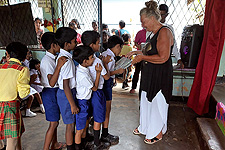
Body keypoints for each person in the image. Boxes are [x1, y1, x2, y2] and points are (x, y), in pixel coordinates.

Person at [127, 0, 173, 144]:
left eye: (143, 22)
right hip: (150, 73)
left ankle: (157, 132)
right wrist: (137, 52)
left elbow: (163, 57)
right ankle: (145, 127)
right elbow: (150, 51)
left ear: (152, 18)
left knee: (157, 101)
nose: (142, 25)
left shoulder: (164, 31)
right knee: (147, 100)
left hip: (160, 74)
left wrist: (142, 57)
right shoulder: (152, 33)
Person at [82, 31, 111, 149]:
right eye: (98, 43)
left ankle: (85, 140)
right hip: (98, 92)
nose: (99, 45)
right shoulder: (97, 61)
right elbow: (107, 77)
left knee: (88, 116)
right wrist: (105, 64)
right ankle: (96, 143)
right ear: (91, 45)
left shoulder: (82, 60)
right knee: (98, 117)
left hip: (86, 93)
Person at [0, 42, 30, 150]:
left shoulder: (0, 67)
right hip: (10, 107)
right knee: (12, 142)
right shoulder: (22, 69)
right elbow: (23, 94)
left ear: (7, 54)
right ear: (24, 56)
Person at [40, 32, 67, 150]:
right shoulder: (47, 61)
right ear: (53, 45)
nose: (60, 47)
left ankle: (54, 144)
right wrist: (59, 66)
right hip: (50, 92)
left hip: (53, 92)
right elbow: (51, 81)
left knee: (55, 121)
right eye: (58, 44)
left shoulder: (52, 58)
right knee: (53, 123)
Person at [73, 46, 103, 150]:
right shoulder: (83, 75)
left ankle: (84, 144)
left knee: (84, 125)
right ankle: (78, 147)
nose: (94, 59)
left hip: (85, 101)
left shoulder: (83, 69)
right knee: (80, 130)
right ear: (85, 61)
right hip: (82, 102)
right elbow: (94, 88)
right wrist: (98, 73)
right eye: (91, 57)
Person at [55, 27, 79, 150]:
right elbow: (65, 85)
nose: (76, 43)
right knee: (70, 125)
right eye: (74, 41)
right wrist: (72, 104)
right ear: (67, 44)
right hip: (67, 94)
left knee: (71, 123)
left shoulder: (62, 56)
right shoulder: (67, 61)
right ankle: (70, 148)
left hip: (66, 93)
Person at [101, 35, 125, 145]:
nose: (120, 51)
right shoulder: (109, 57)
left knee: (105, 109)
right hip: (106, 84)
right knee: (107, 110)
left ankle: (103, 132)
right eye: (120, 48)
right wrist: (117, 71)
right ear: (117, 46)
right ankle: (104, 134)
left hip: (106, 84)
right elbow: (106, 74)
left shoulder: (106, 54)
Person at [146, 4, 184, 68]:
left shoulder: (169, 28)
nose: (160, 17)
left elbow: (174, 45)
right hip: (152, 61)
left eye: (163, 15)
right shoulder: (151, 28)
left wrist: (178, 59)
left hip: (164, 62)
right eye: (159, 14)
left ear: (167, 15)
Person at [130, 28, 146, 94]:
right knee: (137, 71)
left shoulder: (153, 31)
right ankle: (133, 87)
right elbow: (135, 42)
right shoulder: (140, 32)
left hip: (148, 55)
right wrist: (139, 46)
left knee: (145, 73)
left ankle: (143, 89)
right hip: (139, 55)